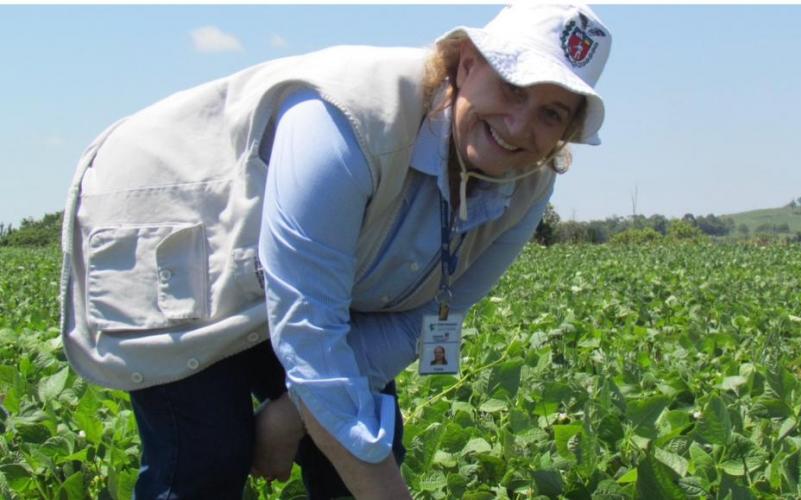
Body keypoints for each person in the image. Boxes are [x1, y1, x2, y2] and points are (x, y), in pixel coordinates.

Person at [59, 3, 611, 498]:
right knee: (206, 458)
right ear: (467, 64)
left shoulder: (527, 186)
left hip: (303, 271)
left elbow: (426, 317)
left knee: (369, 435)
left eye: (552, 113)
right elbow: (311, 331)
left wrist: (290, 415)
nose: (520, 127)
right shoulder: (347, 120)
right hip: (181, 228)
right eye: (513, 87)